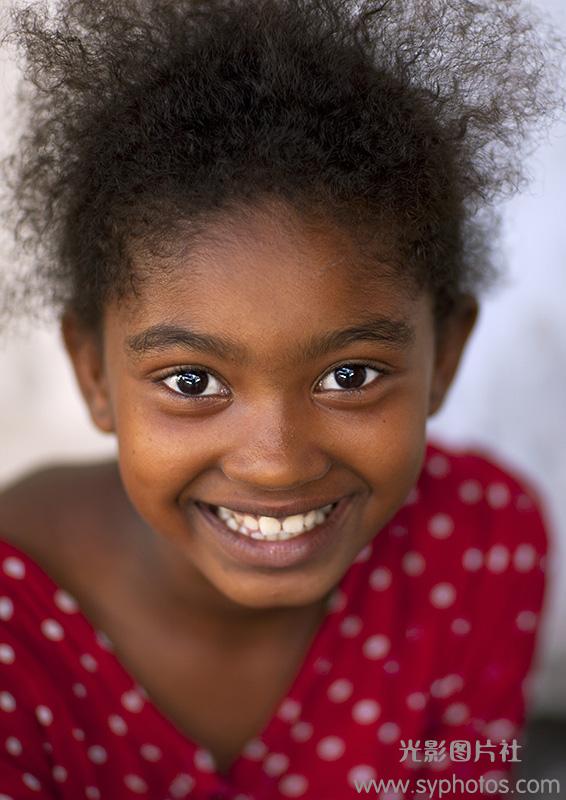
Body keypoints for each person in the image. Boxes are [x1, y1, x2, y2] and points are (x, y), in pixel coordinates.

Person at [0, 0, 560, 797]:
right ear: (93, 372)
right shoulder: (15, 638)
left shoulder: (477, 546)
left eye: (351, 376)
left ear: (446, 356)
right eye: (193, 382)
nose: (275, 464)